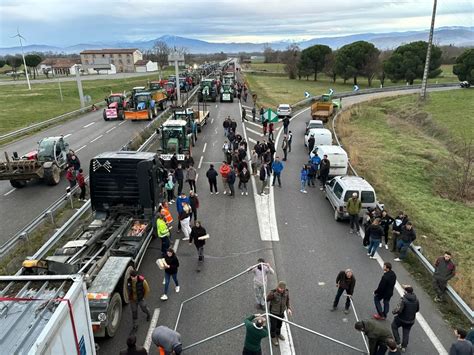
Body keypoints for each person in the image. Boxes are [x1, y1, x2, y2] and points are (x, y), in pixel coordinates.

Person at [391, 286, 419, 352]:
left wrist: (394, 312)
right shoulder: (416, 300)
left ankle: (398, 342)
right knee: (406, 332)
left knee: (394, 326)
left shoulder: (404, 300)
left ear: (406, 291)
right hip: (411, 320)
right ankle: (404, 346)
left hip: (401, 319)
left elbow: (399, 310)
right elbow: (417, 310)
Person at [267, 281, 292, 347]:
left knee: (279, 324)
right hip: (273, 313)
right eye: (280, 288)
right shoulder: (273, 293)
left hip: (281, 312)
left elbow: (287, 300)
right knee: (273, 326)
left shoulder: (286, 292)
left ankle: (278, 333)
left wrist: (288, 308)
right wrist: (267, 296)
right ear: (278, 287)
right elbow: (267, 299)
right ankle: (273, 337)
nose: (281, 289)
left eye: (282, 288)